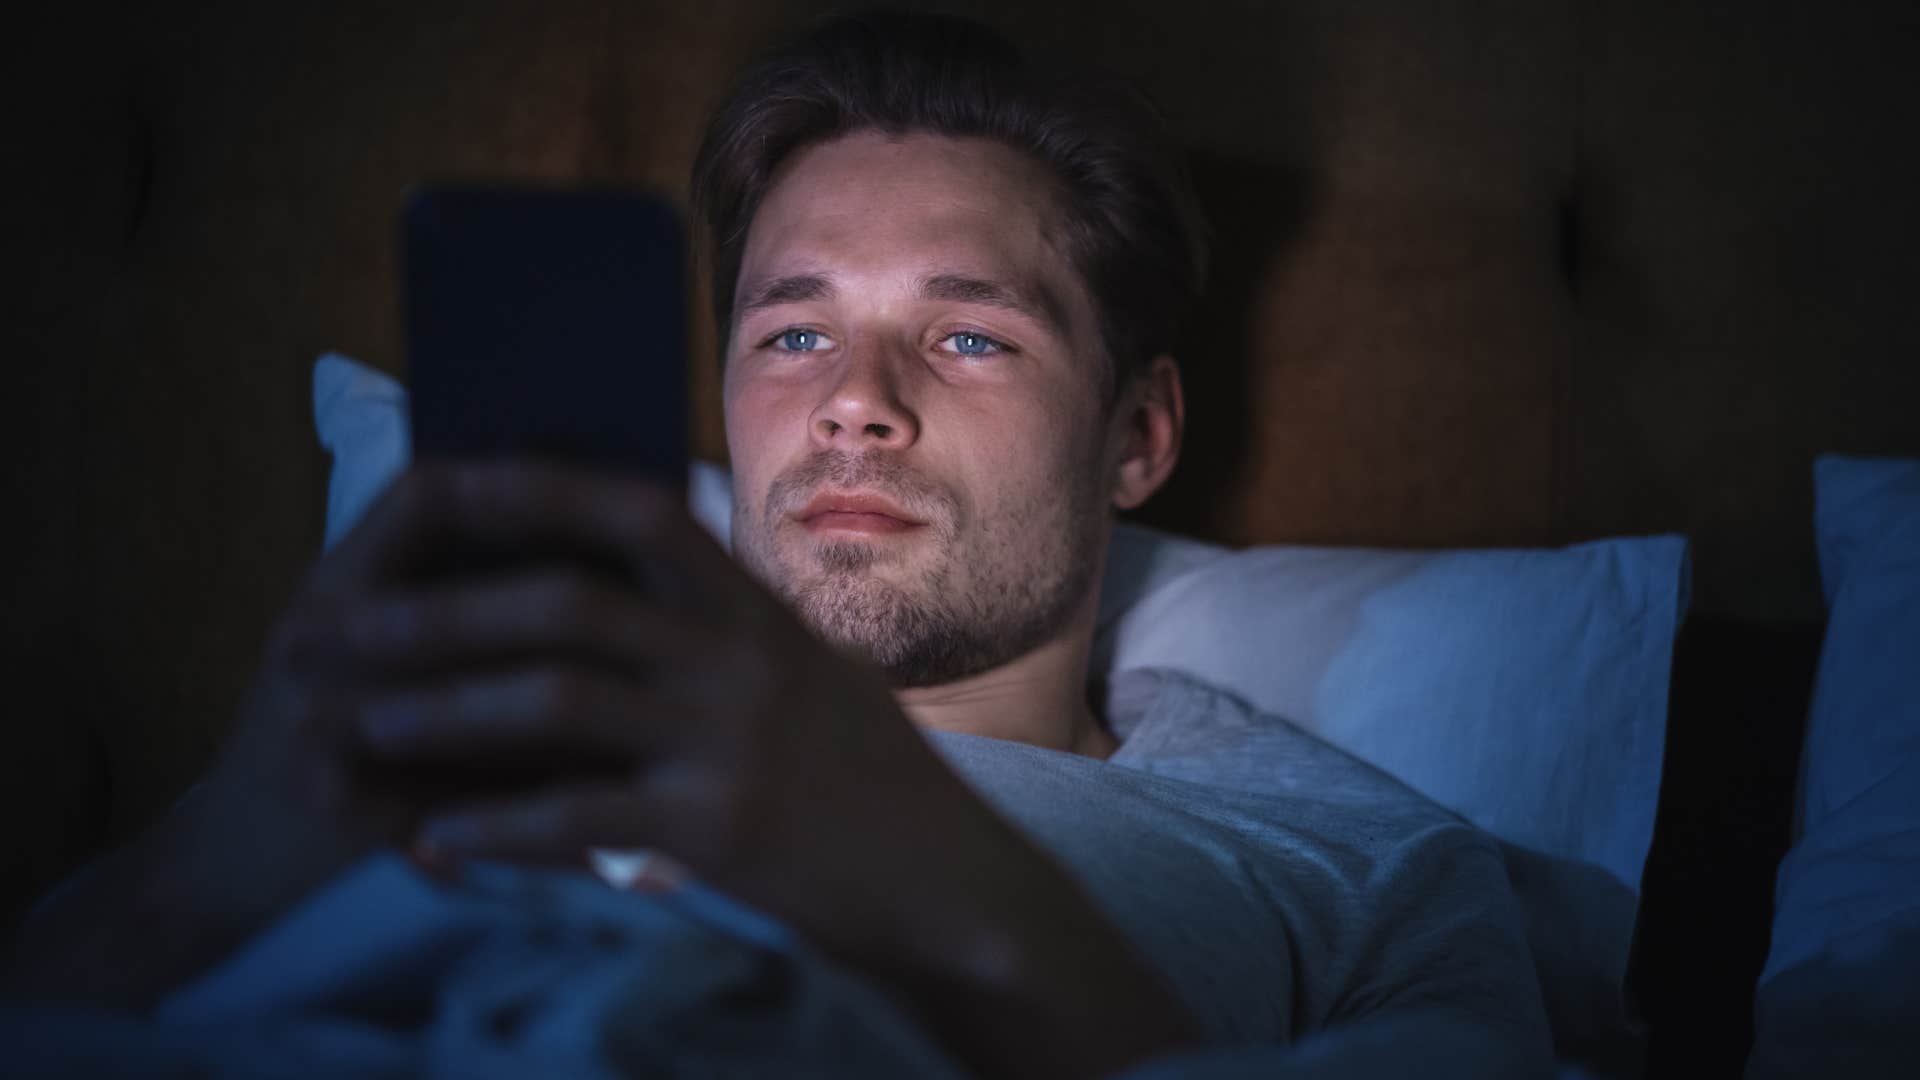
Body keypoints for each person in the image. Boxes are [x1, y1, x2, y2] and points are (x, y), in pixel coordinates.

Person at [3, 10, 1553, 1078]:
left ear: (1138, 435)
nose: (856, 408)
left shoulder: (1365, 872)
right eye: (796, 330)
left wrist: (911, 859)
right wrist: (211, 871)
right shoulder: (428, 730)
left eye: (968, 340)